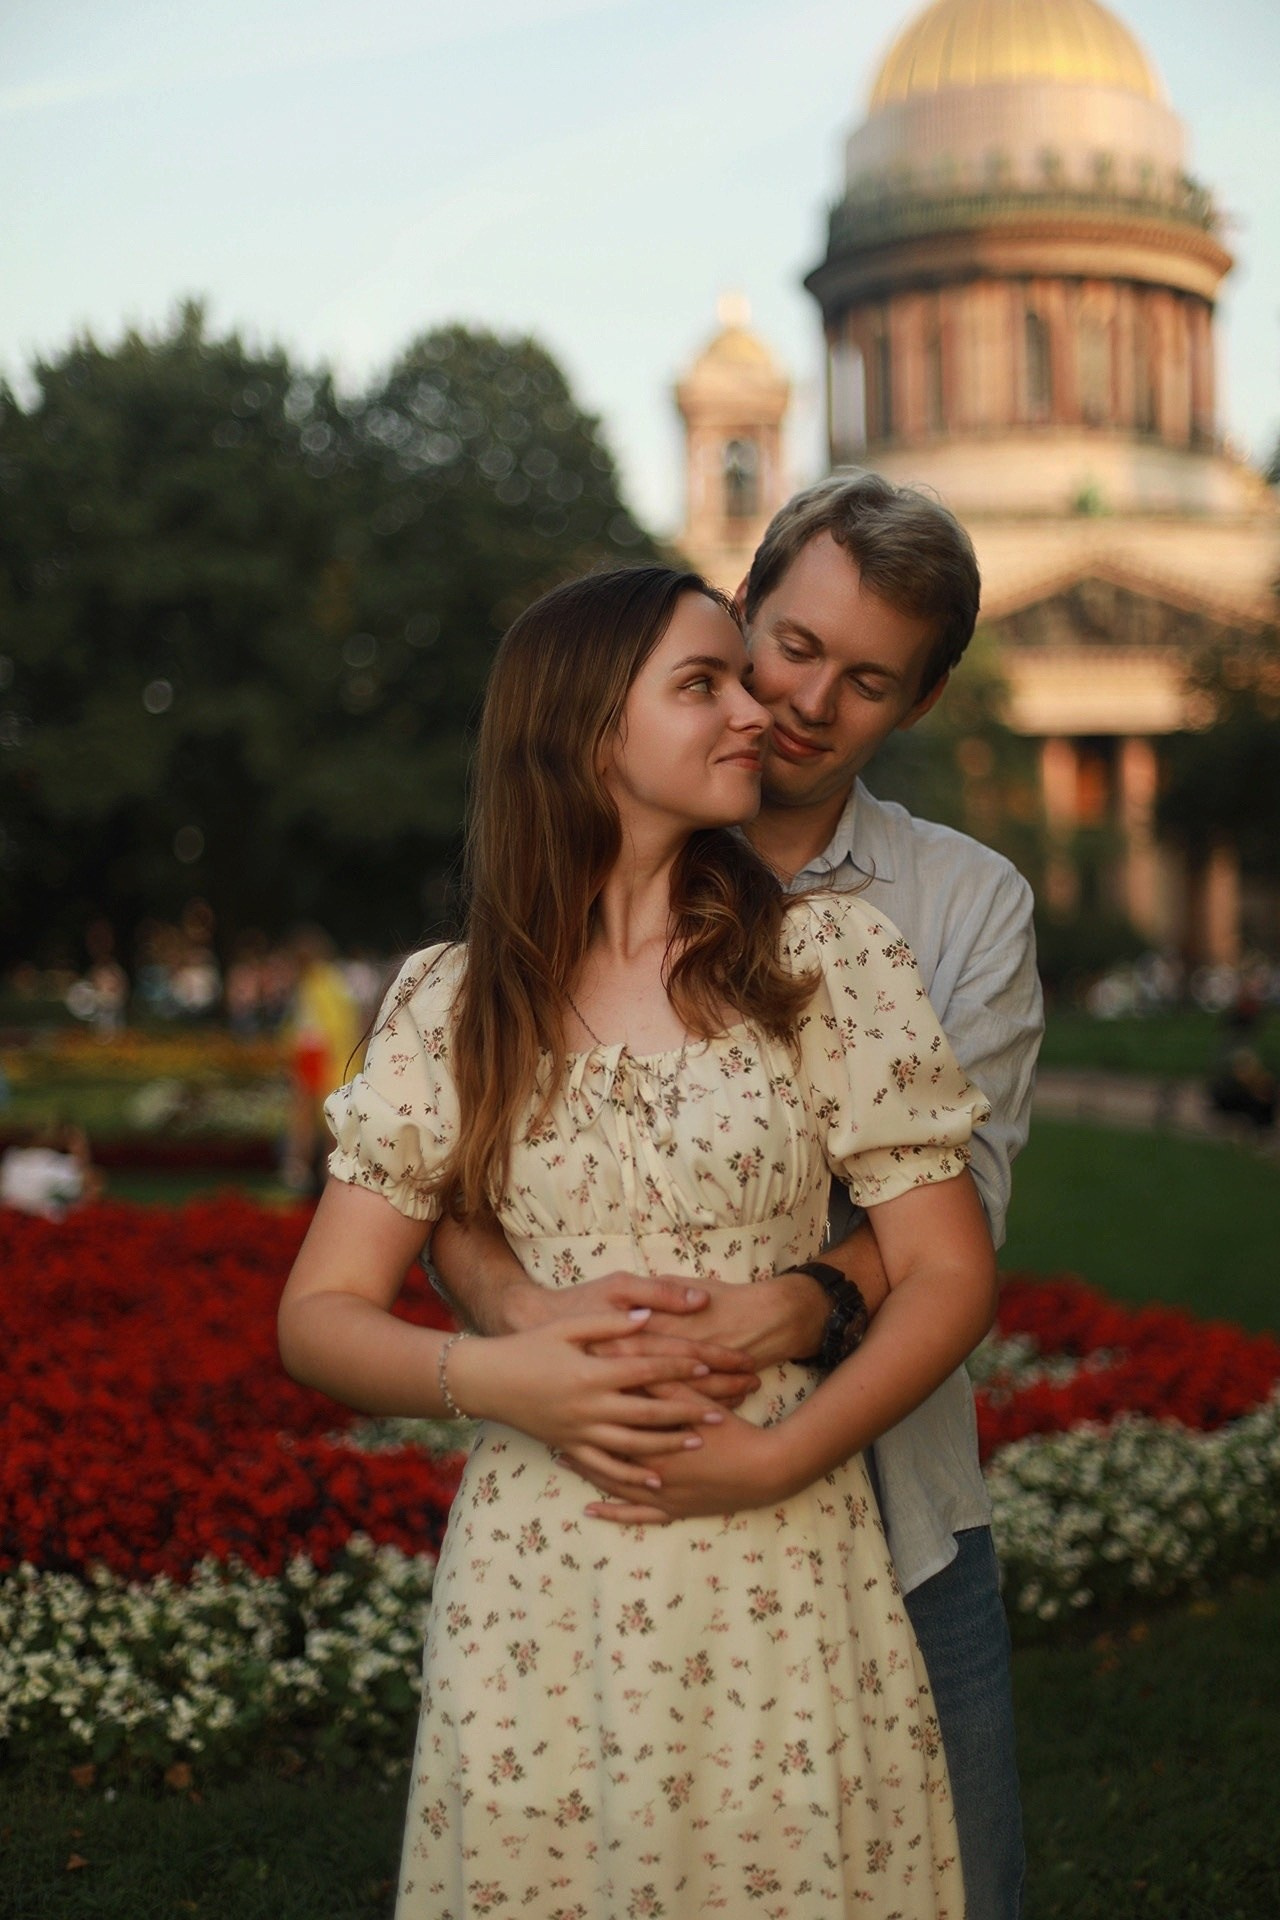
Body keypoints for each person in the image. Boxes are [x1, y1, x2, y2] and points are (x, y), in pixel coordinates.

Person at [280, 561, 996, 1916]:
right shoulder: (457, 998)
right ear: (589, 729)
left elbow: (952, 1270)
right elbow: (319, 1314)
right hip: (541, 1582)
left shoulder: (824, 962)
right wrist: (496, 1376)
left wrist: (776, 1457)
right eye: (703, 683)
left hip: (781, 1565)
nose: (758, 714)